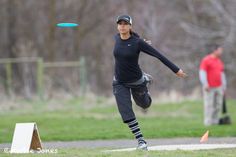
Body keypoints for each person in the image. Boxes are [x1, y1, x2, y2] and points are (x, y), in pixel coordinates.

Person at [112, 15, 187, 150]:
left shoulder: (137, 42)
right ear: (117, 26)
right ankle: (141, 141)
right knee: (126, 112)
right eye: (120, 23)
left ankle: (145, 80)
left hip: (136, 81)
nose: (122, 26)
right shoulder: (116, 38)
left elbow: (159, 55)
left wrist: (176, 70)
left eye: (125, 23)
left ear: (130, 26)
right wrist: (142, 41)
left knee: (144, 104)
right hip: (119, 82)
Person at [199, 45, 227, 126]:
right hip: (209, 87)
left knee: (218, 104)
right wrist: (205, 84)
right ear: (215, 51)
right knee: (209, 104)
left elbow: (222, 74)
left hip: (219, 86)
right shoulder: (206, 60)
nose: (221, 52)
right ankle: (208, 122)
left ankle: (215, 121)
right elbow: (202, 72)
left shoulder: (219, 61)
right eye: (220, 50)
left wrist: (224, 86)